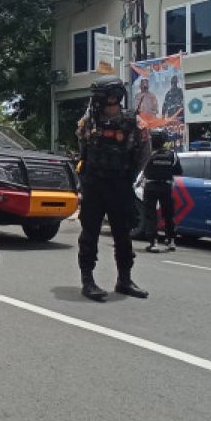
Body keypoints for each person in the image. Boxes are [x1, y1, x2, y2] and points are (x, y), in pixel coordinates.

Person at [77, 74, 152, 301]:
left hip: (120, 184)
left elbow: (144, 154)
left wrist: (128, 176)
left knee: (123, 233)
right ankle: (87, 280)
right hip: (94, 184)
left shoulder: (135, 123)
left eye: (101, 95)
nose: (96, 99)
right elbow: (83, 147)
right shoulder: (88, 121)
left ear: (114, 97)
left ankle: (124, 280)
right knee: (90, 232)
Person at [141, 130, 182, 252]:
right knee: (168, 214)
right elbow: (179, 171)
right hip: (166, 187)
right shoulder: (172, 155)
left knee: (151, 215)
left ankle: (153, 243)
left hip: (150, 187)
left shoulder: (149, 155)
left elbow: (144, 170)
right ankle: (171, 241)